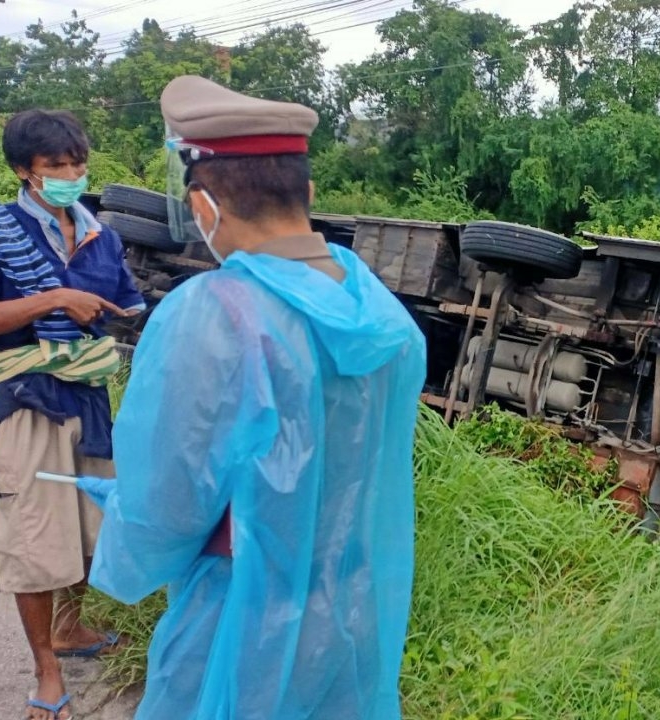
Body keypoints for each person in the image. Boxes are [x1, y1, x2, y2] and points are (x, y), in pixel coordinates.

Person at [82, 75, 427, 719]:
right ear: (311, 194)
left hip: (243, 615)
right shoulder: (388, 319)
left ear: (205, 207)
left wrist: (123, 531)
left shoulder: (214, 313)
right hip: (349, 609)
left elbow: (168, 505)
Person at [0, 109, 145, 720]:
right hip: (28, 402)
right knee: (30, 539)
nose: (71, 174)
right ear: (24, 171)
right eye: (56, 166)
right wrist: (52, 297)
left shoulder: (102, 234)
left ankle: (71, 631)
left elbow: (128, 305)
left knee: (82, 527)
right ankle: (47, 672)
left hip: (91, 400)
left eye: (78, 163)